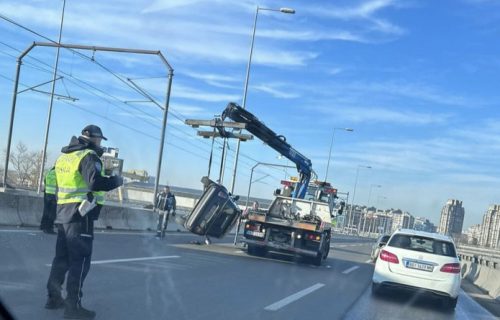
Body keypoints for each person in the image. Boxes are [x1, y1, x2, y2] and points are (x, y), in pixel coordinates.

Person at [45, 125, 123, 319]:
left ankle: (53, 298)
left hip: (62, 212)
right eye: (100, 140)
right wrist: (116, 181)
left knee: (61, 259)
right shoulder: (88, 156)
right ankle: (73, 307)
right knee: (80, 261)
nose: (100, 144)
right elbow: (95, 183)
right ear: (94, 139)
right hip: (81, 216)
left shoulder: (64, 156)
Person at [40, 167, 57, 234]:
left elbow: (45, 181)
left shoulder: (49, 171)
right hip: (54, 195)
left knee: (46, 211)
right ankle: (49, 228)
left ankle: (42, 226)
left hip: (47, 193)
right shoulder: (59, 173)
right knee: (52, 213)